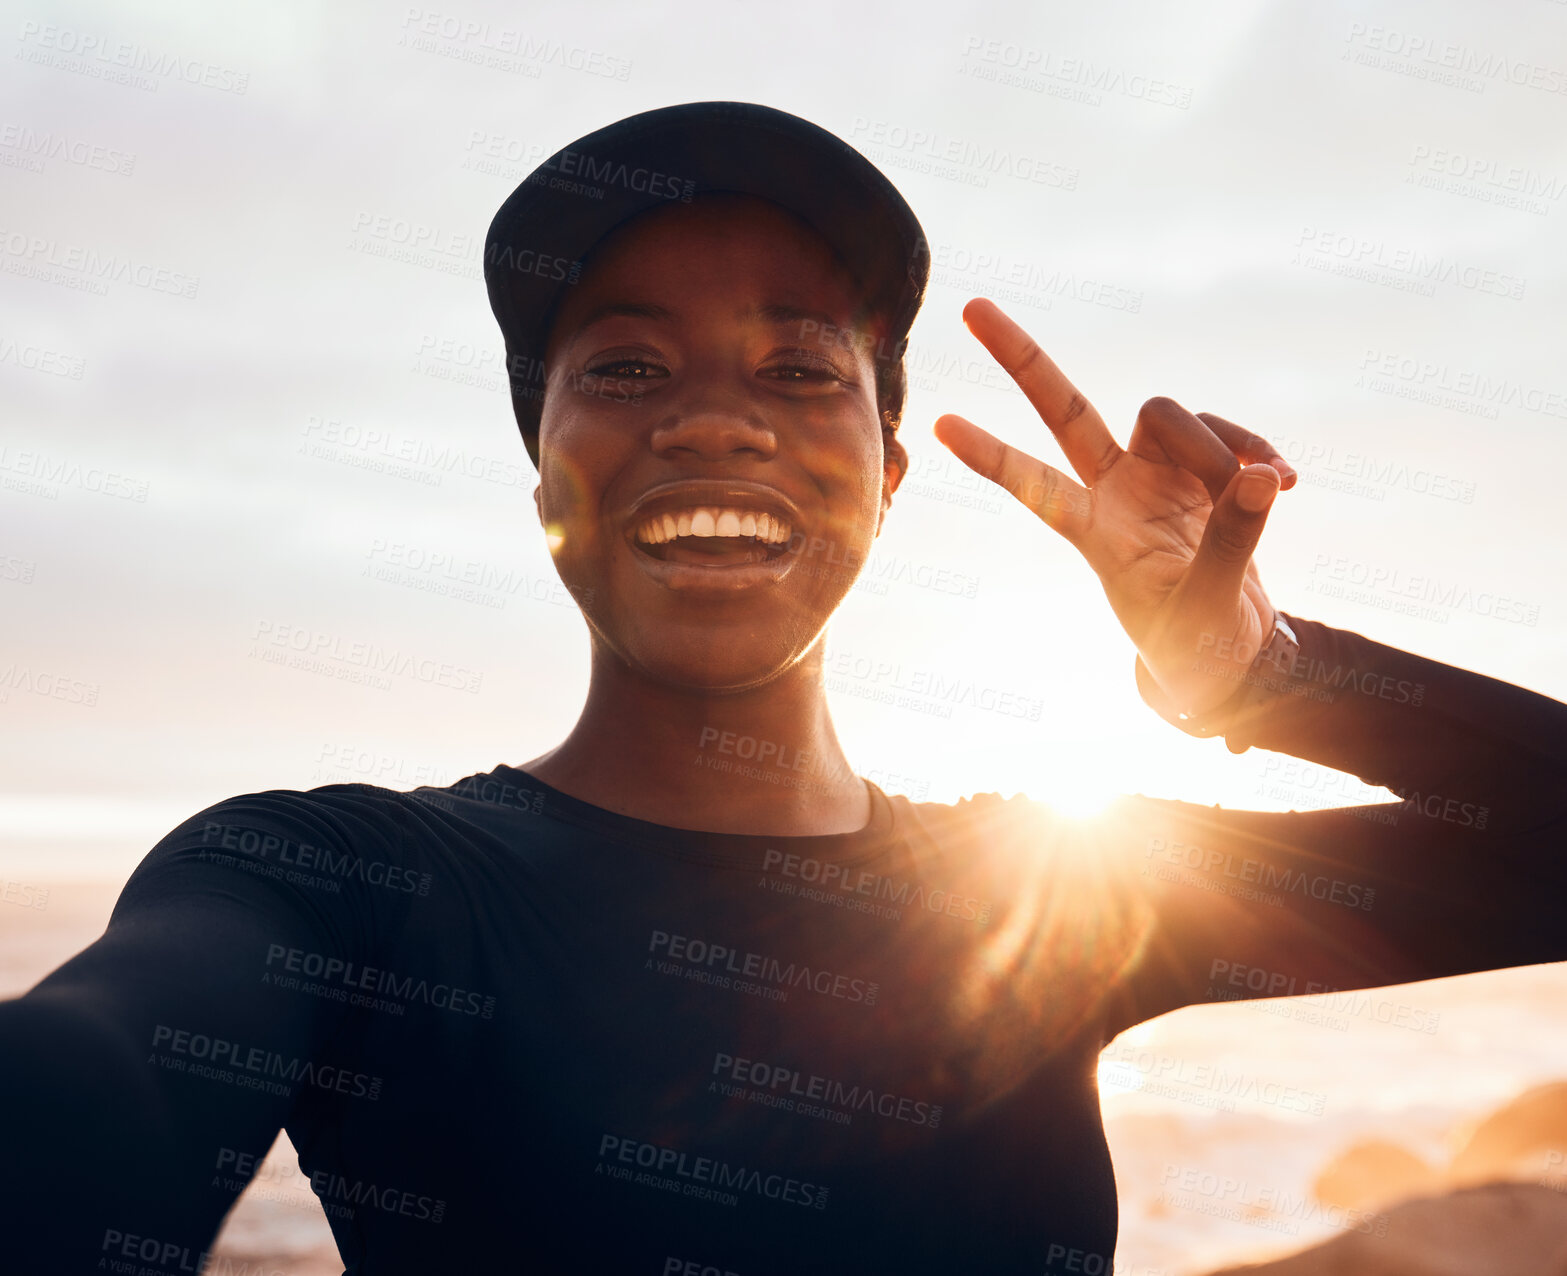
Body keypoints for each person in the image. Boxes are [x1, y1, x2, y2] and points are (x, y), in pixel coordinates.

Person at [3, 101, 1563, 1275]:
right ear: (543, 463)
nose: (714, 423)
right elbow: (92, 1084)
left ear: (888, 476)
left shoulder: (1052, 899)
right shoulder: (342, 885)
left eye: (800, 369)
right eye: (622, 367)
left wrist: (1263, 678)